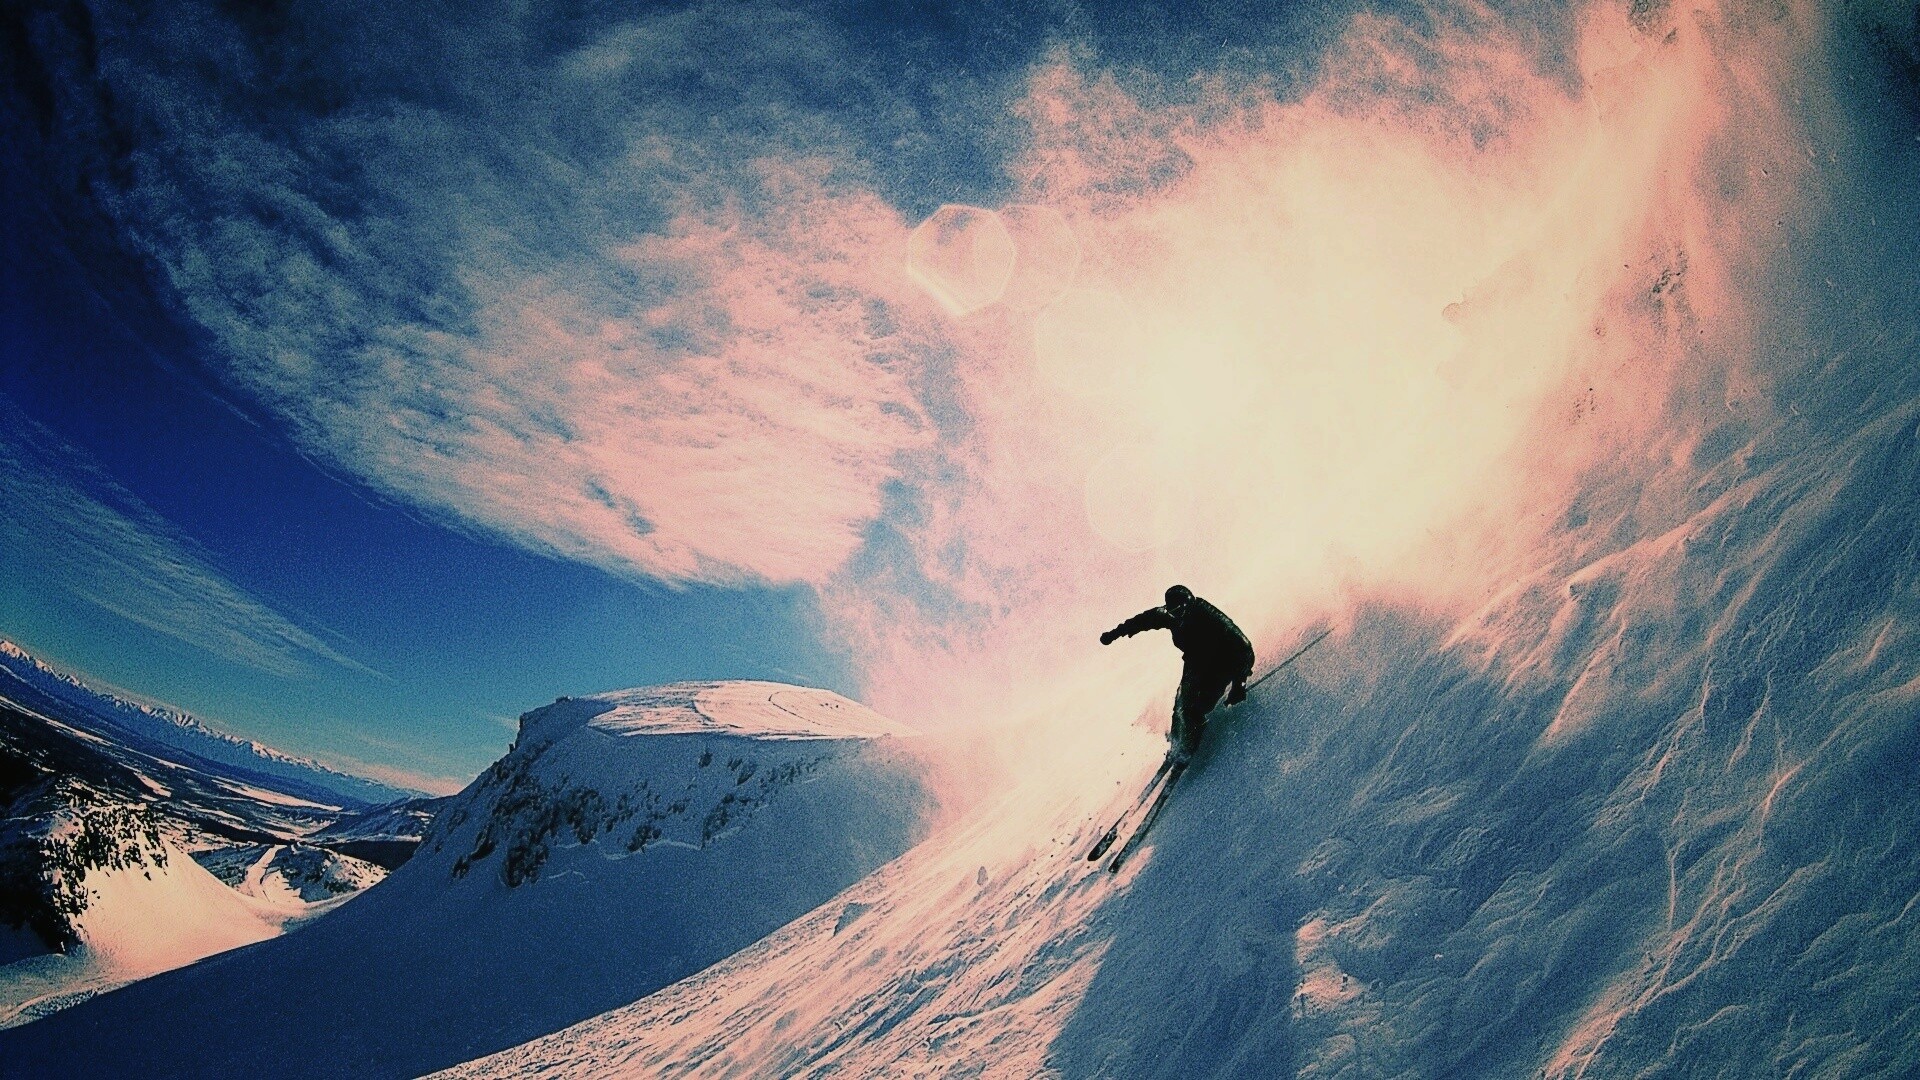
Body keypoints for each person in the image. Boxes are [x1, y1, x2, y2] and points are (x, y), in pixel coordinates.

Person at [1101, 585, 1255, 763]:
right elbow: (1141, 621)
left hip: (1221, 662)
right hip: (1195, 662)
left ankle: (1193, 734)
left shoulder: (1207, 615)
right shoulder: (1168, 616)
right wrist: (1115, 633)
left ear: (1188, 605)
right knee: (1181, 703)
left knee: (1197, 707)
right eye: (1172, 611)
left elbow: (1243, 647)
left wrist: (1239, 683)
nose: (1177, 615)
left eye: (1180, 610)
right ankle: (1177, 743)